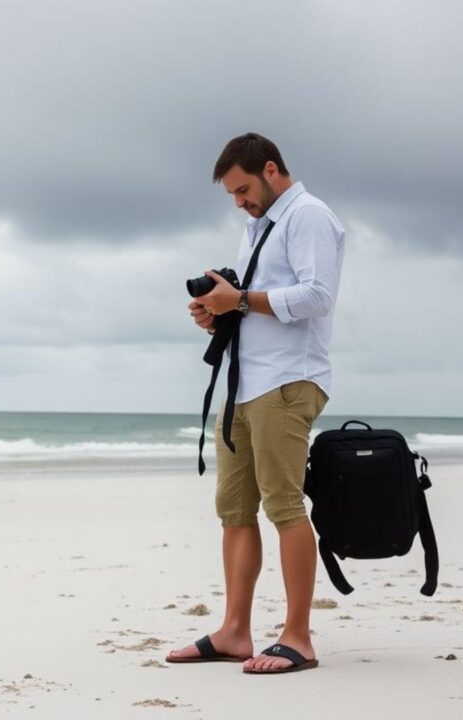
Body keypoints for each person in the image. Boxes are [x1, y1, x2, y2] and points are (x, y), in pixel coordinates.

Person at [167, 132, 345, 674]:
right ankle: (236, 631)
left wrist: (239, 298)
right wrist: (220, 312)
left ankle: (298, 637)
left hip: (288, 382)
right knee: (234, 511)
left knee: (285, 506)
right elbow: (257, 304)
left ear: (271, 170)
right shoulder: (258, 227)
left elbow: (319, 295)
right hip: (245, 385)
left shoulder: (308, 215)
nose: (239, 201)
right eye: (232, 195)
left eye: (243, 189)